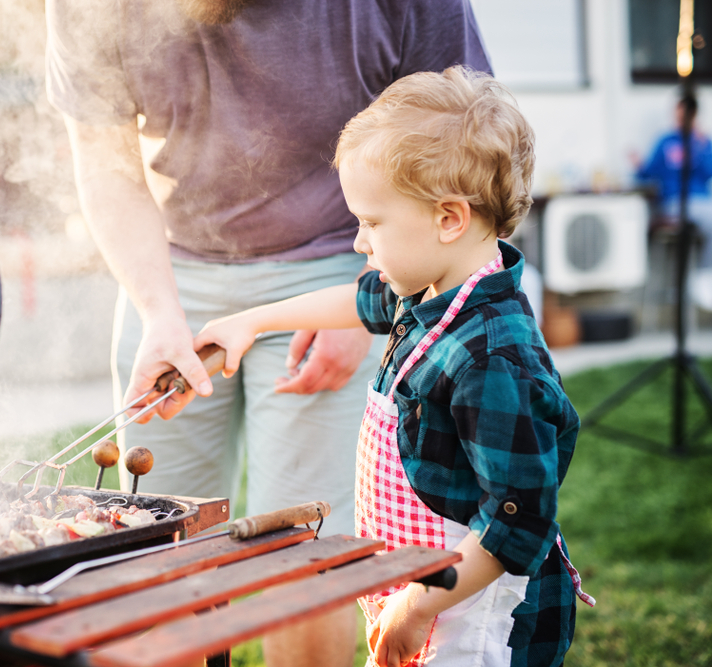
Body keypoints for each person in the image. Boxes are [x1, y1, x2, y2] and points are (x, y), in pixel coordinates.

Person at [45, 2, 490, 664]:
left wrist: (378, 299)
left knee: (306, 550)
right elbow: (104, 158)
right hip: (168, 267)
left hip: (343, 255)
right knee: (152, 543)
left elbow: (462, 142)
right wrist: (158, 310)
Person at [192, 66, 594, 667]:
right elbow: (356, 302)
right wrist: (254, 321)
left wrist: (417, 605)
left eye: (372, 222)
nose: (359, 241)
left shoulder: (493, 360)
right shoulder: (431, 288)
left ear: (449, 218)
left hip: (480, 616)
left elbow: (519, 522)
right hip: (425, 584)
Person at [633, 96, 712, 308]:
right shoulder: (665, 141)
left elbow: (708, 173)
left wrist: (701, 145)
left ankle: (702, 277)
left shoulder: (703, 142)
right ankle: (702, 278)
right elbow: (648, 173)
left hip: (701, 201)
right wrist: (637, 165)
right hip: (674, 203)